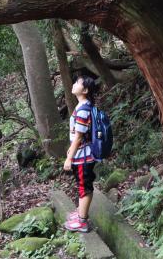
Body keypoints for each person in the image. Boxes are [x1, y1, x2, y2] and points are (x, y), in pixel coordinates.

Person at [63, 75, 98, 233]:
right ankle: (80, 213)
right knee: (82, 185)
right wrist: (71, 150)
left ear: (84, 90)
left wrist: (69, 158)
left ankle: (82, 222)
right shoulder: (82, 106)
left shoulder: (84, 110)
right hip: (81, 153)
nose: (74, 84)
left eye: (78, 83)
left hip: (84, 156)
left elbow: (79, 136)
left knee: (85, 187)